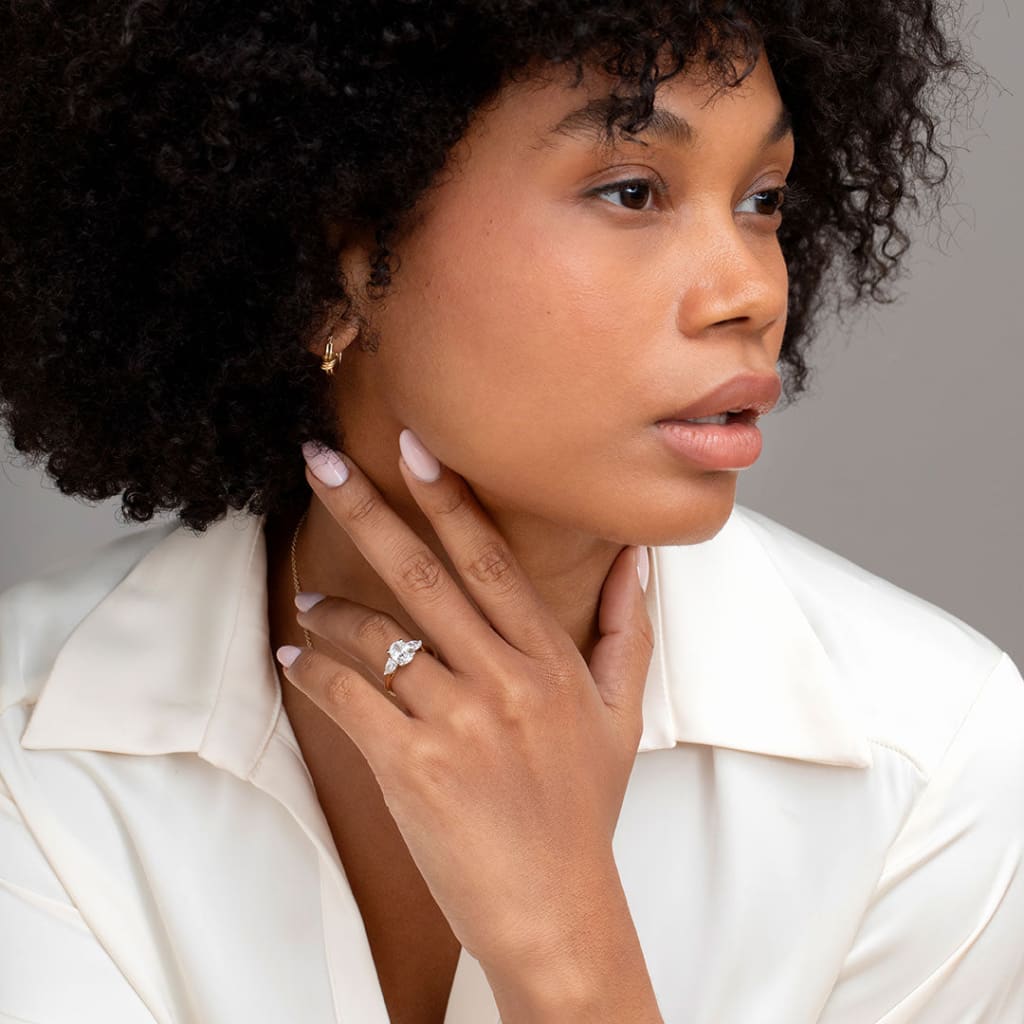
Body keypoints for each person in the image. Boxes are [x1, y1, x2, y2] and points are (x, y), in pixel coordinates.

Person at [0, 2, 1020, 1022]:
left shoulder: (928, 765)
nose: (749, 290)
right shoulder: (25, 744)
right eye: (632, 190)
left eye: (762, 200)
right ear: (335, 266)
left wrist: (564, 945)